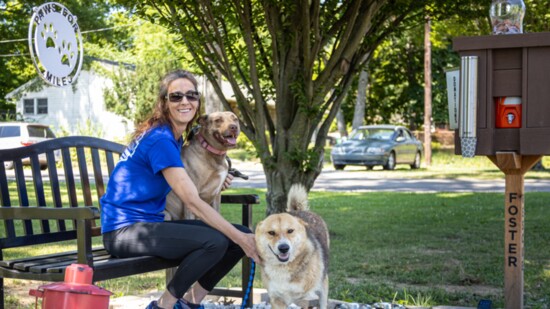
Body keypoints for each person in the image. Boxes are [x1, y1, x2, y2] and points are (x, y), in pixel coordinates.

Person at [100, 69, 260, 309]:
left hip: (150, 224)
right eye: (176, 97)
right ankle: (164, 305)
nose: (185, 101)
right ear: (164, 103)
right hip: (124, 231)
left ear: (197, 102)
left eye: (191, 95)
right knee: (218, 240)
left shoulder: (171, 136)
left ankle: (189, 302)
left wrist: (219, 184)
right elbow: (192, 201)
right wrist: (243, 239)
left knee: (234, 236)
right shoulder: (161, 140)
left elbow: (190, 184)